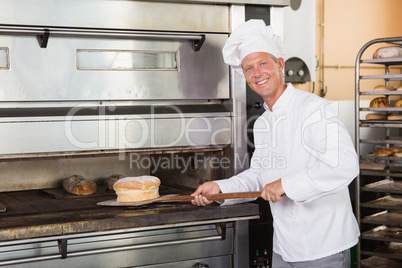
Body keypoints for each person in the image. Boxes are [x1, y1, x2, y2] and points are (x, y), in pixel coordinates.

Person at [191, 19, 360, 268]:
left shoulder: (313, 109)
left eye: (262, 64)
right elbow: (261, 175)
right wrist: (220, 188)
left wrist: (287, 184)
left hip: (324, 246)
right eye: (249, 68)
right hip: (284, 247)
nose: (257, 73)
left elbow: (345, 165)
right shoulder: (263, 123)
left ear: (279, 65)